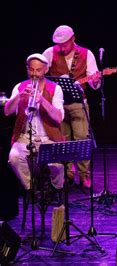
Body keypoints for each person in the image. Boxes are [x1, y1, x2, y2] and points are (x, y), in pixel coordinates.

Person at [42, 25, 101, 188]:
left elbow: (94, 80)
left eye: (65, 44)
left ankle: (84, 175)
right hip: (57, 105)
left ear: (73, 39)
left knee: (82, 138)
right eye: (59, 44)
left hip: (78, 104)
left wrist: (95, 81)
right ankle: (67, 175)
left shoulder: (86, 54)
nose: (62, 47)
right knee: (62, 140)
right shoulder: (49, 53)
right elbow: (41, 75)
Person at [5, 53, 65, 195]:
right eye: (31, 70)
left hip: (48, 138)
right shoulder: (20, 87)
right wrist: (20, 96)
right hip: (25, 137)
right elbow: (7, 111)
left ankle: (55, 189)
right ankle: (30, 189)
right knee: (14, 157)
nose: (34, 74)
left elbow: (59, 118)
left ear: (45, 70)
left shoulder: (55, 89)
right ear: (27, 69)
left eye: (38, 70)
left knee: (57, 165)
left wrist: (42, 100)